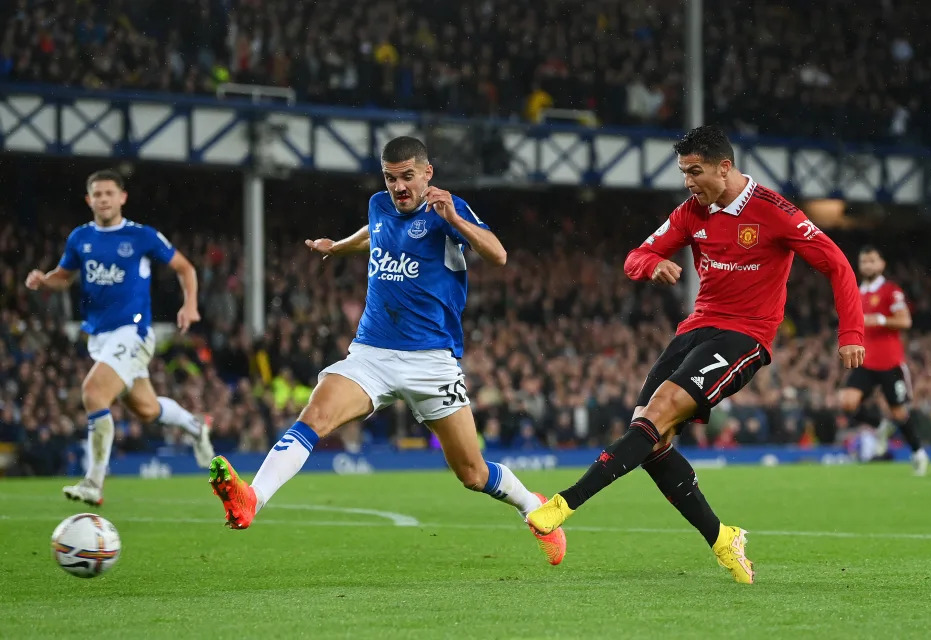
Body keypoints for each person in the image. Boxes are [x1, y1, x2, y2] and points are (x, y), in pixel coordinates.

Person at [526, 125, 865, 583]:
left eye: (695, 171)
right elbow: (635, 256)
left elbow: (836, 263)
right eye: (684, 172)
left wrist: (852, 332)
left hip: (746, 336)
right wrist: (654, 264)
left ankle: (562, 505)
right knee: (650, 439)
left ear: (724, 167)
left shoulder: (775, 212)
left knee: (657, 415)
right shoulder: (691, 212)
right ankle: (724, 539)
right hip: (695, 329)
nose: (688, 181)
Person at [208, 136, 567, 565]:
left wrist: (454, 217)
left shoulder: (446, 211)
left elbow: (499, 255)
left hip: (431, 361)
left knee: (472, 473)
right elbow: (375, 233)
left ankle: (533, 507)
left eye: (407, 177)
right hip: (372, 354)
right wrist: (338, 246)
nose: (399, 186)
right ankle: (253, 498)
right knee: (315, 416)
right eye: (390, 177)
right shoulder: (379, 204)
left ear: (427, 173)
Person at [25, 169, 214, 506]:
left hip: (135, 331)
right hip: (99, 337)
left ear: (122, 197)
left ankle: (93, 481)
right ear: (89, 200)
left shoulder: (142, 236)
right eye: (97, 194)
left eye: (109, 193)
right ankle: (195, 426)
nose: (103, 199)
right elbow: (63, 277)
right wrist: (44, 280)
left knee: (93, 392)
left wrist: (190, 305)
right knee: (147, 409)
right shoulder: (80, 238)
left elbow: (185, 268)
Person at [839, 245, 928, 475]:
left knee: (899, 412)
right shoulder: (855, 292)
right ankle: (881, 426)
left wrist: (878, 319)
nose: (868, 265)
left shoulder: (891, 291)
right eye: (864, 261)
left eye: (872, 261)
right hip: (866, 361)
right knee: (847, 402)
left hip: (890, 362)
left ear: (881, 264)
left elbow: (905, 321)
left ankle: (918, 452)